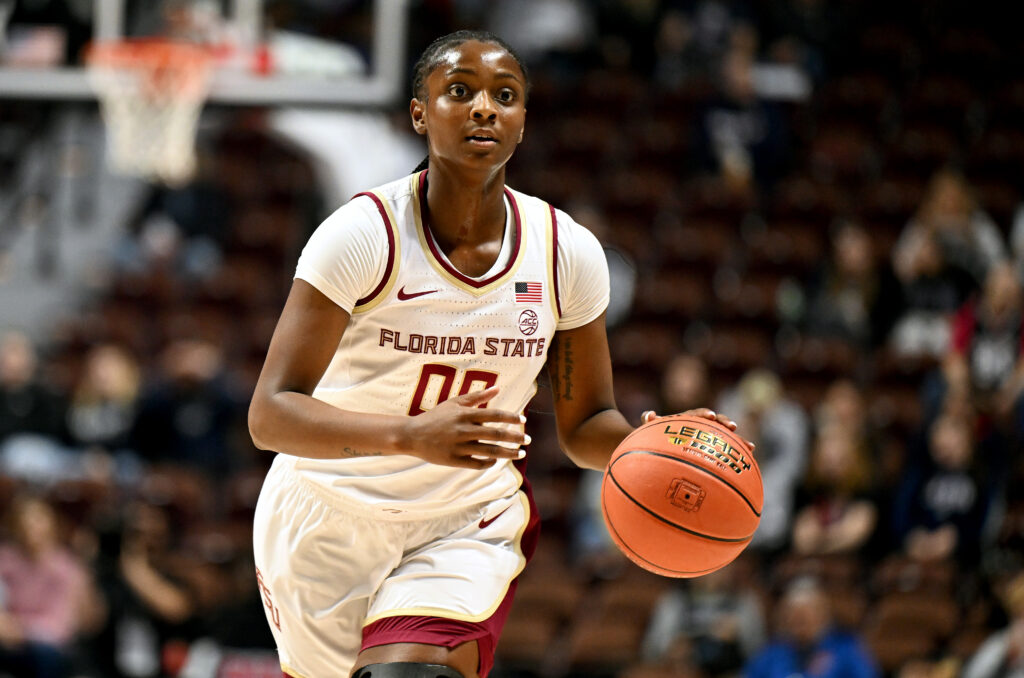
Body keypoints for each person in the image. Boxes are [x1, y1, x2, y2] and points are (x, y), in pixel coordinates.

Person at [246, 30, 743, 678]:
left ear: (523, 120)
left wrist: (652, 449)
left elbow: (587, 421)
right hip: (325, 515)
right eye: (461, 91)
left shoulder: (566, 251)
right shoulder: (363, 234)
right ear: (420, 113)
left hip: (465, 516)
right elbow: (270, 416)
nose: (485, 108)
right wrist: (410, 436)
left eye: (504, 96)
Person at [743, 576, 879, 678]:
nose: (798, 622)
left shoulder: (847, 648)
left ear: (822, 614)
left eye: (804, 616)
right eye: (792, 616)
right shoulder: (772, 652)